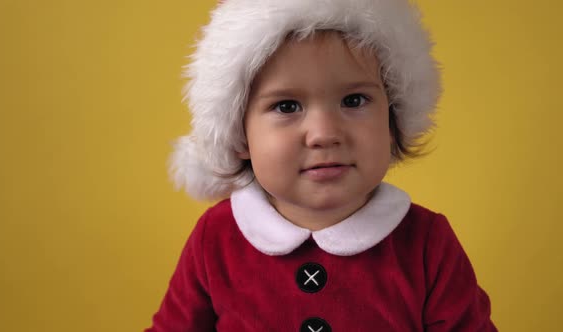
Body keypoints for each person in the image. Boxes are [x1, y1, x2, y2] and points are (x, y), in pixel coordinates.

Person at [145, 0, 497, 330]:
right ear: (238, 136)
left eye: (354, 100)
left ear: (393, 121)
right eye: (286, 106)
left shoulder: (425, 243)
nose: (324, 134)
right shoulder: (217, 239)